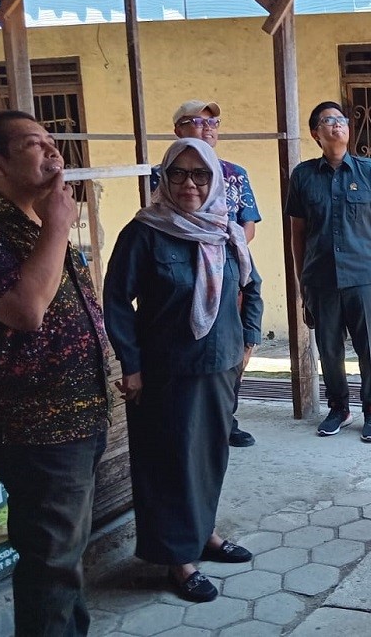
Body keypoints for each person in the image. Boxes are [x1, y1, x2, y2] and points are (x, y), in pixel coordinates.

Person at [0, 110, 111, 636]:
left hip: (83, 415)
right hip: (36, 427)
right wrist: (60, 222)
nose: (52, 151)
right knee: (51, 562)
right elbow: (26, 311)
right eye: (34, 145)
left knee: (63, 556)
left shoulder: (37, 220)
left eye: (51, 139)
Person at [103, 138, 263, 603]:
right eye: (178, 173)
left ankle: (204, 535)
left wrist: (248, 339)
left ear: (214, 180)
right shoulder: (145, 232)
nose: (189, 184)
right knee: (170, 462)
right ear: (164, 178)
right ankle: (179, 558)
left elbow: (252, 286)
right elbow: (115, 301)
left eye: (200, 175)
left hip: (220, 366)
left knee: (210, 455)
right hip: (166, 371)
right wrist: (130, 366)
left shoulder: (227, 231)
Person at [288, 101, 371, 443]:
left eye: (341, 120)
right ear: (315, 133)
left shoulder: (369, 171)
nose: (336, 125)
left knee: (370, 349)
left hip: (363, 276)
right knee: (330, 349)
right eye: (327, 120)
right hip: (320, 278)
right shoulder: (304, 176)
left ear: (348, 130)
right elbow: (297, 232)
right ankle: (339, 407)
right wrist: (302, 280)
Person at [152, 100, 262, 447]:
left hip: (227, 268)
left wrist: (220, 250)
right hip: (178, 267)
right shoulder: (164, 174)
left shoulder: (234, 173)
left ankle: (226, 417)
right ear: (178, 130)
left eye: (213, 121)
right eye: (197, 121)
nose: (208, 127)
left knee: (231, 350)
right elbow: (160, 217)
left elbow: (248, 223)